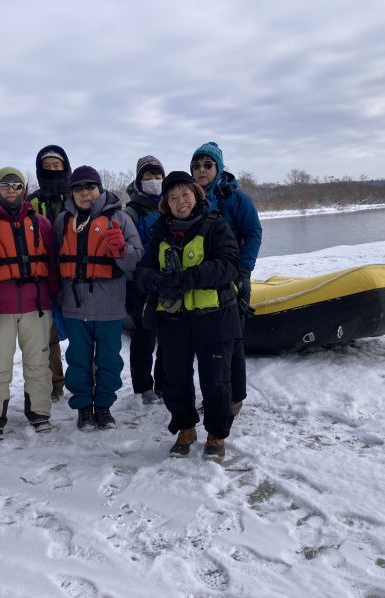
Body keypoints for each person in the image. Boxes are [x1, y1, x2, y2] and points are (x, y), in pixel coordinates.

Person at [135, 171, 240, 461]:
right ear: (165, 204)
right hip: (174, 322)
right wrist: (157, 281)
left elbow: (229, 264)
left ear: (196, 195)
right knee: (175, 379)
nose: (180, 201)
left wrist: (189, 278)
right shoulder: (159, 234)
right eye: (173, 197)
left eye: (185, 195)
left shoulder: (216, 226)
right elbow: (142, 271)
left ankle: (217, 434)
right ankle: (185, 427)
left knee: (216, 381)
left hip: (214, 318)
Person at [0, 167, 60, 442]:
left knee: (38, 364)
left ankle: (39, 412)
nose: (11, 190)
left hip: (36, 307)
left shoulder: (40, 223)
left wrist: (56, 303)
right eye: (5, 185)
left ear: (24, 189)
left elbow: (51, 266)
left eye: (17, 185)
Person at [53, 166, 142, 431]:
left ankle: (103, 407)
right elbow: (53, 261)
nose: (85, 193)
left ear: (100, 189)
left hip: (110, 307)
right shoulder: (62, 221)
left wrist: (121, 250)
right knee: (78, 360)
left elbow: (135, 260)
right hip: (73, 306)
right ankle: (83, 408)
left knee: (109, 360)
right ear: (72, 193)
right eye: (79, 189)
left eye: (90, 187)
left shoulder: (120, 219)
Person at [190, 142, 262, 416]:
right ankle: (215, 394)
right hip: (206, 280)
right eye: (196, 166)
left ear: (218, 167)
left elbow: (254, 232)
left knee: (233, 339)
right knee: (209, 341)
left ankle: (234, 397)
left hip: (234, 278)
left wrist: (244, 271)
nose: (201, 170)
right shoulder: (193, 198)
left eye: (207, 165)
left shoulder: (237, 198)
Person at [28, 144, 71, 402]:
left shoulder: (77, 196)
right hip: (44, 278)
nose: (53, 170)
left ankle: (88, 379)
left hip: (75, 276)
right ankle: (55, 382)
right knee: (48, 335)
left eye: (58, 165)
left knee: (82, 334)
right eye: (48, 166)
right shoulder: (31, 202)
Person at [123, 155, 166, 405]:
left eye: (157, 176)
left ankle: (163, 382)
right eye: (148, 177)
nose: (154, 181)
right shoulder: (132, 211)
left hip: (167, 282)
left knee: (168, 336)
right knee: (144, 336)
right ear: (139, 181)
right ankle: (143, 386)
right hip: (140, 284)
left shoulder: (170, 203)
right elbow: (132, 250)